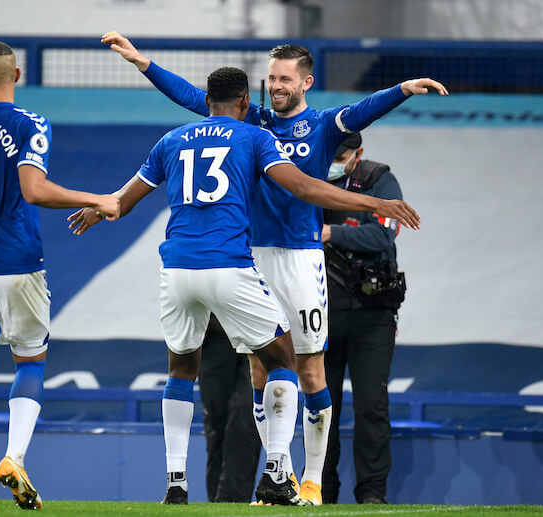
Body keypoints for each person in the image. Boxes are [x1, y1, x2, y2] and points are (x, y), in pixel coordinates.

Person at [97, 31, 447, 505]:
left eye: (285, 78)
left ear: (307, 81)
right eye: (271, 78)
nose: (276, 86)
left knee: (311, 371)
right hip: (251, 257)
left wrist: (402, 89)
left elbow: (362, 112)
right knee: (260, 372)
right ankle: (278, 475)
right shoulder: (253, 122)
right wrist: (144, 63)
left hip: (301, 259)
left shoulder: (323, 125)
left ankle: (313, 480)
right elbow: (193, 96)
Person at [0, 41, 120, 511]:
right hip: (18, 265)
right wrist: (95, 198)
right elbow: (35, 191)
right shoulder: (30, 123)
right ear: (16, 74)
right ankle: (14, 458)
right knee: (30, 362)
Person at [320, 132, 404, 504]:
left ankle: (372, 493)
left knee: (371, 406)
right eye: (332, 154)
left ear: (359, 154)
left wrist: (328, 232)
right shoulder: (310, 179)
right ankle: (320, 490)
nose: (335, 161)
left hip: (373, 316)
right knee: (322, 410)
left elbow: (383, 237)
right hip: (322, 314)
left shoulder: (378, 179)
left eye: (342, 155)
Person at [198, 314, 261, 502]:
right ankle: (217, 504)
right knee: (217, 424)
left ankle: (231, 501)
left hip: (257, 331)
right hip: (214, 333)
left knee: (246, 416)